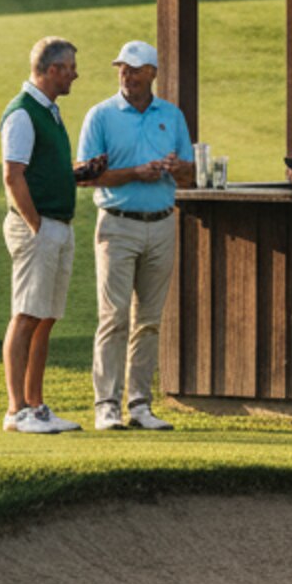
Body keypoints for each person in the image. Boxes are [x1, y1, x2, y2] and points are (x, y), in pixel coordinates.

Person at [77, 40, 194, 431]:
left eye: (135, 68)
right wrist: (135, 172)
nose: (126, 74)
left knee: (149, 320)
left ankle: (140, 405)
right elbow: (86, 175)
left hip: (162, 222)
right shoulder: (101, 115)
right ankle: (106, 405)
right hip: (117, 223)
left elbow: (190, 173)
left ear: (153, 74)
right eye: (122, 68)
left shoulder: (171, 116)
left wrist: (176, 168)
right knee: (114, 318)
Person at [0, 36, 106, 433]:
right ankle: (16, 411)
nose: (75, 74)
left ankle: (36, 404)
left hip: (57, 224)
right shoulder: (23, 113)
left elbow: (42, 168)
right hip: (38, 226)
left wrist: (79, 173)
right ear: (52, 70)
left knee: (45, 317)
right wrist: (36, 225)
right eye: (71, 67)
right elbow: (13, 175)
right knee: (26, 315)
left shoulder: (50, 111)